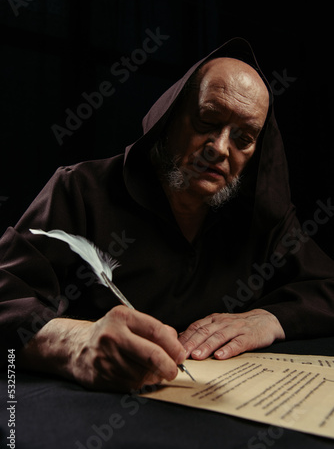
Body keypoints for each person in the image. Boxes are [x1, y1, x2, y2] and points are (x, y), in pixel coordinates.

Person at [1, 38, 334, 392]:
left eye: (244, 137)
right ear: (172, 116)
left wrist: (269, 319)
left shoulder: (262, 216)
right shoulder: (80, 191)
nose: (220, 148)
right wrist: (72, 343)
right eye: (208, 120)